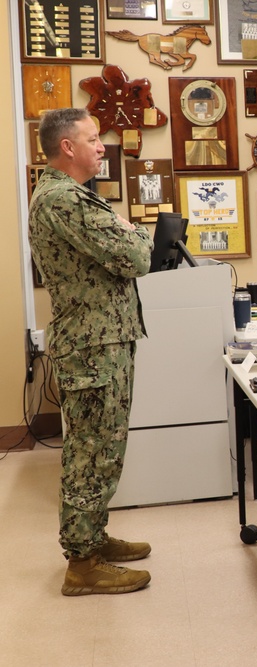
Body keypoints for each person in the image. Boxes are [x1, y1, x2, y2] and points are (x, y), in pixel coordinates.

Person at [28, 108, 154, 596]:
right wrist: (133, 233)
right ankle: (82, 564)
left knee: (105, 447)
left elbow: (126, 251)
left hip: (103, 341)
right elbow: (137, 257)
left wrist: (127, 230)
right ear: (68, 147)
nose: (102, 146)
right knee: (91, 452)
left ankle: (93, 538)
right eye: (94, 138)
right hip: (92, 345)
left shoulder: (72, 197)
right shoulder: (63, 200)